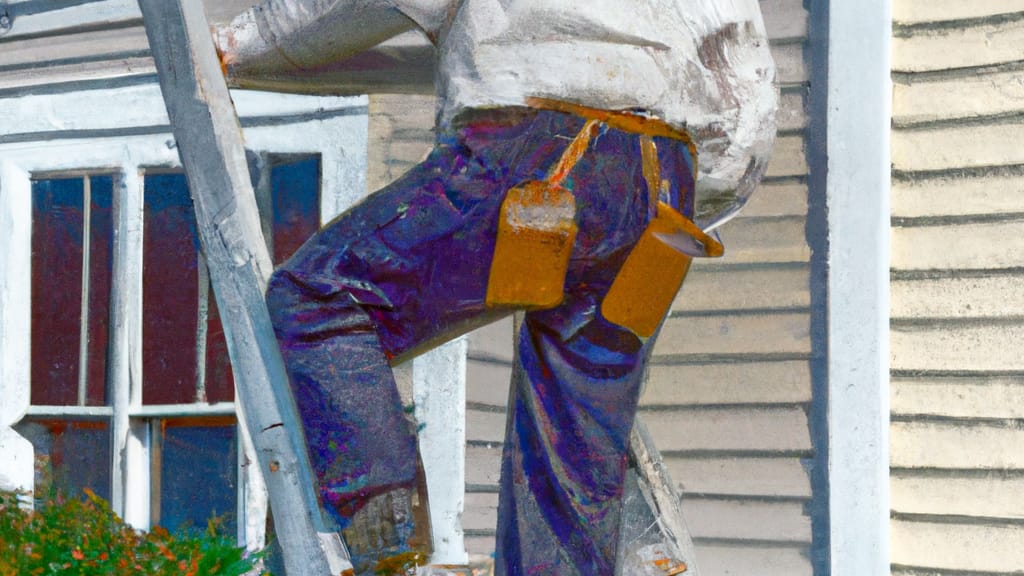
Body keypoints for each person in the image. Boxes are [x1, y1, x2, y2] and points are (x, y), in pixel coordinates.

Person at [216, 1, 775, 573]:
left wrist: (241, 44)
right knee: (573, 435)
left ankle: (383, 525)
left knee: (319, 298)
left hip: (538, 142)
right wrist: (688, 199)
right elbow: (746, 79)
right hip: (666, 183)